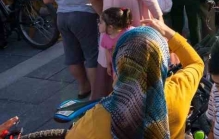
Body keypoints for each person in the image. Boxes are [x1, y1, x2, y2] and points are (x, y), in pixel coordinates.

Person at [68, 19, 204, 139]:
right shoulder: (178, 91)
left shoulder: (98, 117)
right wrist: (167, 32)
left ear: (119, 64)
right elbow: (196, 63)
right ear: (163, 61)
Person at [42, 0, 103, 98]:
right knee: (91, 55)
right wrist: (103, 16)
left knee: (72, 55)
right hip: (84, 16)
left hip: (62, 16)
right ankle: (96, 94)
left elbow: (47, 0)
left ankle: (83, 87)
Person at [98, 7, 133, 78]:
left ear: (110, 27)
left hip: (131, 68)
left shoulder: (129, 33)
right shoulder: (105, 38)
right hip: (116, 69)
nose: (98, 24)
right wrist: (108, 65)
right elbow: (107, 50)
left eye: (101, 22)